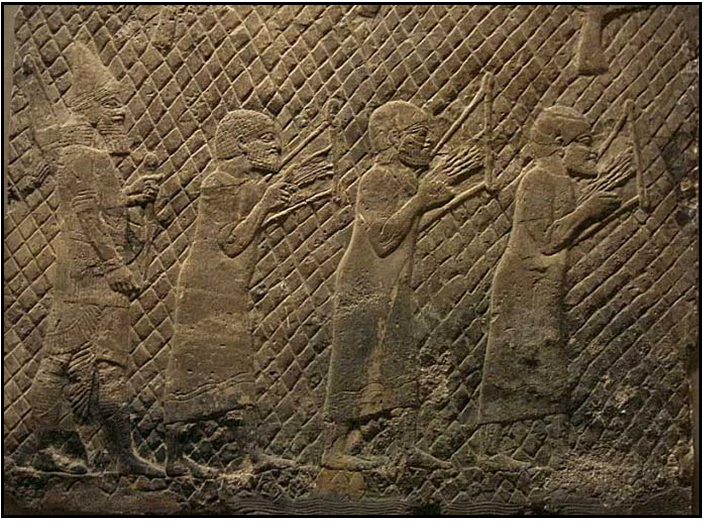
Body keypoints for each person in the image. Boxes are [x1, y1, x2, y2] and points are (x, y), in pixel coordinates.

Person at [16, 43, 162, 477]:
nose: (121, 113)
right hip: (88, 275)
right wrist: (116, 266)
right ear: (90, 109)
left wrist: (129, 197)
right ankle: (44, 447)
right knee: (60, 359)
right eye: (111, 105)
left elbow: (99, 205)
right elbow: (85, 213)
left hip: (99, 274)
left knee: (109, 366)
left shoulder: (87, 152)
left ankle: (120, 455)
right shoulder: (84, 152)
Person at [477, 106, 625, 468]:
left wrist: (588, 211)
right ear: (560, 145)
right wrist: (588, 211)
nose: (594, 152)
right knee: (512, 360)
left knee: (549, 357)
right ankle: (488, 450)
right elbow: (546, 239)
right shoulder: (538, 179)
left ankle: (558, 450)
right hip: (523, 282)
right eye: (586, 142)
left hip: (543, 282)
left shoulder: (562, 182)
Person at [323, 101, 461, 471]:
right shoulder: (377, 179)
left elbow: (410, 217)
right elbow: (382, 239)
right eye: (419, 136)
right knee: (355, 362)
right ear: (392, 138)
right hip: (365, 286)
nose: (428, 143)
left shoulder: (404, 179)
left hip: (393, 284)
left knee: (401, 360)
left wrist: (429, 197)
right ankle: (333, 450)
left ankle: (406, 447)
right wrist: (420, 201)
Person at [162, 110, 292, 477]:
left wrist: (267, 205)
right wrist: (266, 204)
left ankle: (249, 454)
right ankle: (175, 458)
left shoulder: (244, 184)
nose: (277, 146)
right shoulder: (218, 183)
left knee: (235, 369)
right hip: (207, 291)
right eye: (266, 138)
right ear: (241, 145)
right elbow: (231, 242)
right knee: (195, 371)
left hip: (228, 288)